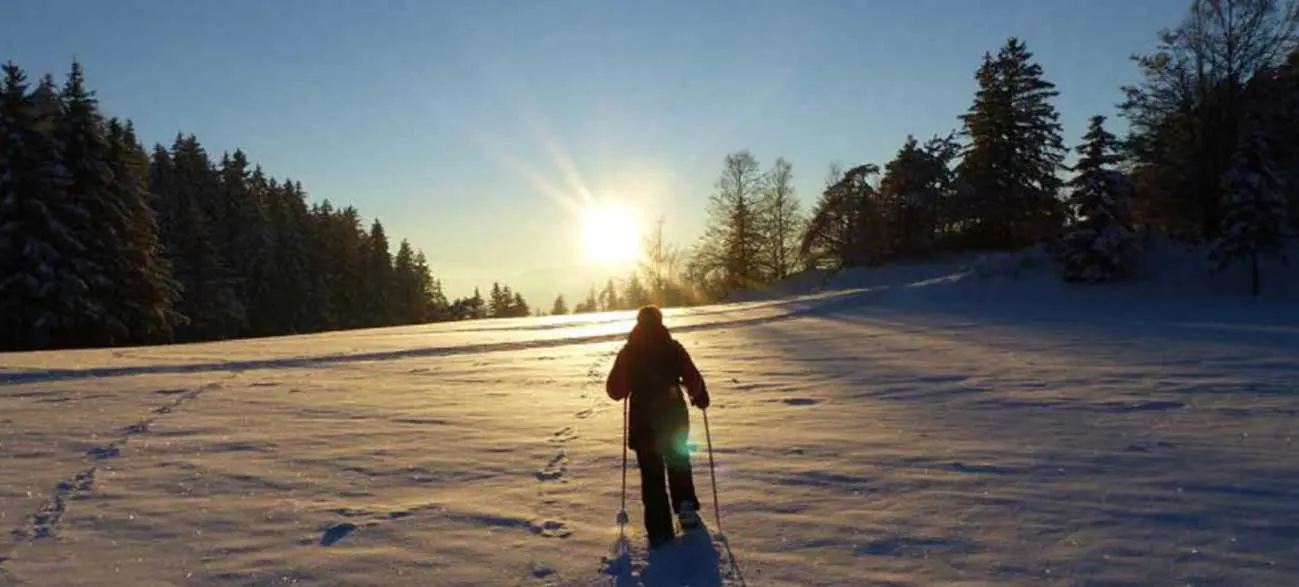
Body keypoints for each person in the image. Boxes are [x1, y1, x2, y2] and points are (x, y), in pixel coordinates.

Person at [606, 305, 710, 550]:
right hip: (674, 415)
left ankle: (659, 528)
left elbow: (614, 391)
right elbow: (693, 379)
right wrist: (699, 395)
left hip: (643, 421)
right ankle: (685, 509)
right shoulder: (673, 348)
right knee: (678, 460)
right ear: (661, 322)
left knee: (651, 473)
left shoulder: (629, 353)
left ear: (638, 323)